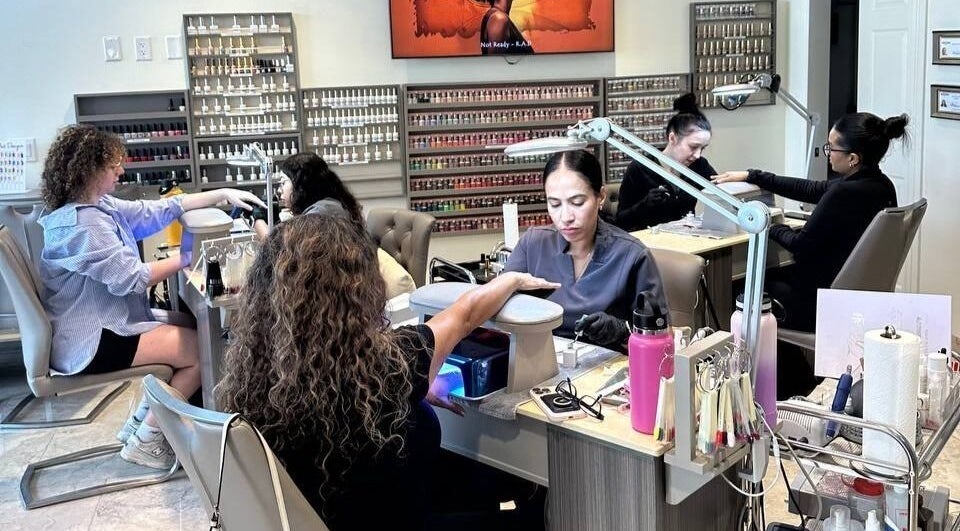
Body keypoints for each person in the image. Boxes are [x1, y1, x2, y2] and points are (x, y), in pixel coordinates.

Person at [217, 215, 557, 531]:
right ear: (354, 295)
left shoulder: (259, 381)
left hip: (336, 515)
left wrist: (415, 389)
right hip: (398, 520)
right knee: (539, 513)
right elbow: (465, 314)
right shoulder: (386, 366)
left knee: (483, 479)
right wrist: (512, 278)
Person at [38, 125, 265, 469]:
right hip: (92, 340)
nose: (121, 171)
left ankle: (143, 419)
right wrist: (189, 258)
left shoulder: (96, 207)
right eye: (113, 166)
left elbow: (155, 211)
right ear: (90, 170)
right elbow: (133, 279)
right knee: (205, 350)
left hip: (95, 323)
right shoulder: (84, 226)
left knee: (187, 324)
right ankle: (148, 438)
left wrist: (222, 193)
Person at [713, 112, 908, 333]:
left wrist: (768, 223)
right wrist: (753, 175)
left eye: (831, 148)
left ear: (853, 158)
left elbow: (800, 245)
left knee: (734, 286)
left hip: (819, 300)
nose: (828, 154)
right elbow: (810, 189)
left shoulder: (845, 192)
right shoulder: (882, 186)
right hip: (856, 296)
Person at [504, 149, 667, 352]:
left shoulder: (632, 255)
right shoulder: (533, 244)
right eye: (554, 204)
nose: (565, 217)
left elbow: (662, 336)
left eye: (577, 202)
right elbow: (498, 307)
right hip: (540, 364)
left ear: (600, 196)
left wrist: (623, 332)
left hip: (610, 369)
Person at [251, 152, 416, 298]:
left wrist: (258, 220)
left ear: (301, 184)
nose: (279, 190)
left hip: (343, 292)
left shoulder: (323, 214)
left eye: (283, 183)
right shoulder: (327, 205)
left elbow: (280, 252)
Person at [614, 93, 716, 232]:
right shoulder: (640, 168)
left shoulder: (699, 166)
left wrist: (747, 175)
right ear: (672, 138)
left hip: (688, 242)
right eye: (693, 147)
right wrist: (645, 205)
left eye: (702, 148)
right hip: (651, 246)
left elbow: (724, 192)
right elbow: (621, 221)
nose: (698, 155)